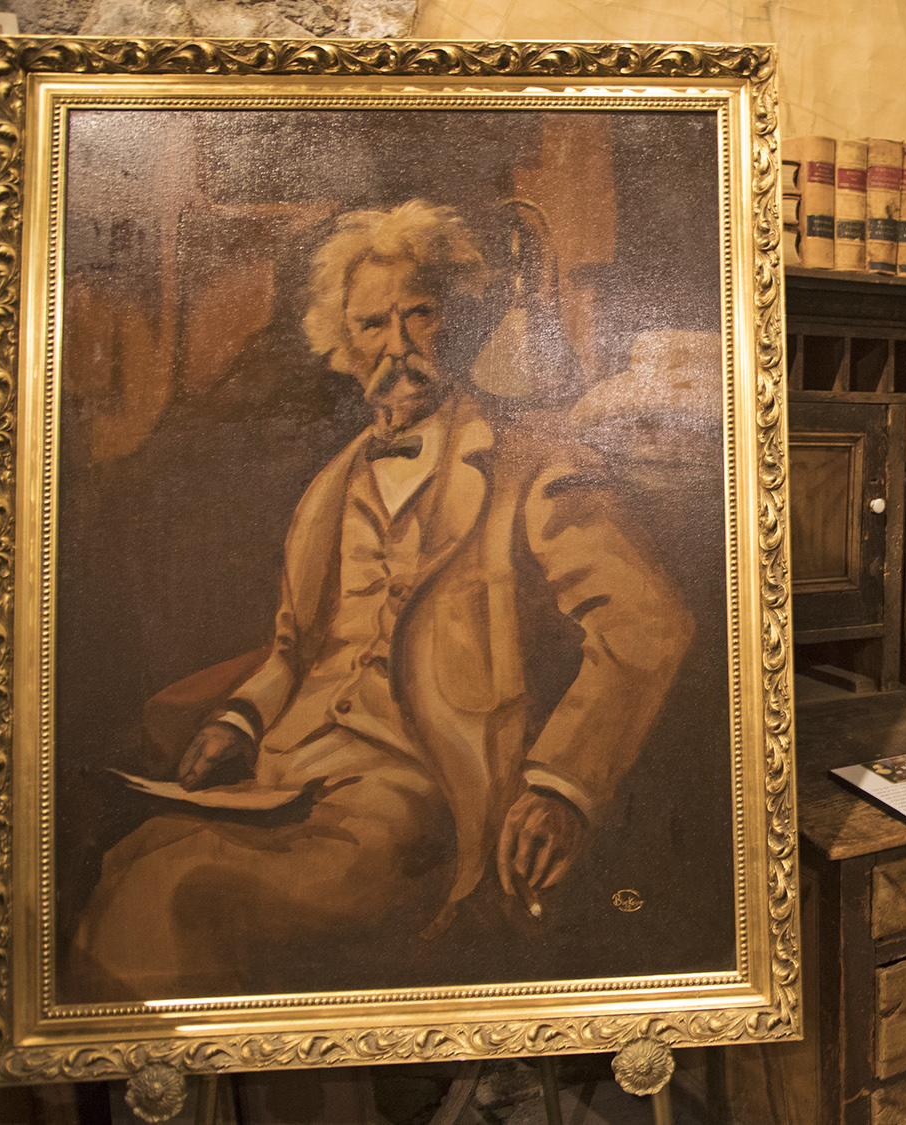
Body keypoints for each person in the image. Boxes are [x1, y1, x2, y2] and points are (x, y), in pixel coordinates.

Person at [71, 200, 694, 1000]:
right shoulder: (330, 488)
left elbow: (647, 623)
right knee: (122, 851)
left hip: (417, 801)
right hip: (290, 774)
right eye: (371, 326)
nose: (397, 346)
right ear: (343, 345)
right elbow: (295, 647)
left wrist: (560, 785)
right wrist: (240, 717)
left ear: (456, 319)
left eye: (418, 314)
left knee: (172, 891)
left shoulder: (533, 467)